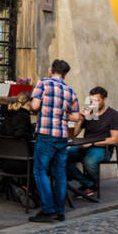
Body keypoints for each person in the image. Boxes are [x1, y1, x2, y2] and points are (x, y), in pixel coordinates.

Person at [26, 59, 82, 223]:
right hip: (62, 136)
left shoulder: (43, 83)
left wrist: (34, 105)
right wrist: (60, 113)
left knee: (40, 171)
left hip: (46, 133)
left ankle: (48, 209)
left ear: (51, 70)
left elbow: (35, 106)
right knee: (60, 174)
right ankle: (60, 211)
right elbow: (76, 116)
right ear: (65, 74)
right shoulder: (70, 90)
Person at [67, 86, 118, 201]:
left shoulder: (113, 115)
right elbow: (75, 134)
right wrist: (81, 119)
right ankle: (89, 184)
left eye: (96, 101)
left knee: (89, 161)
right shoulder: (91, 113)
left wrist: (92, 144)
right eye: (91, 100)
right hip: (84, 146)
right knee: (61, 156)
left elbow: (114, 139)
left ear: (104, 100)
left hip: (102, 148)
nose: (93, 103)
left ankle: (90, 185)